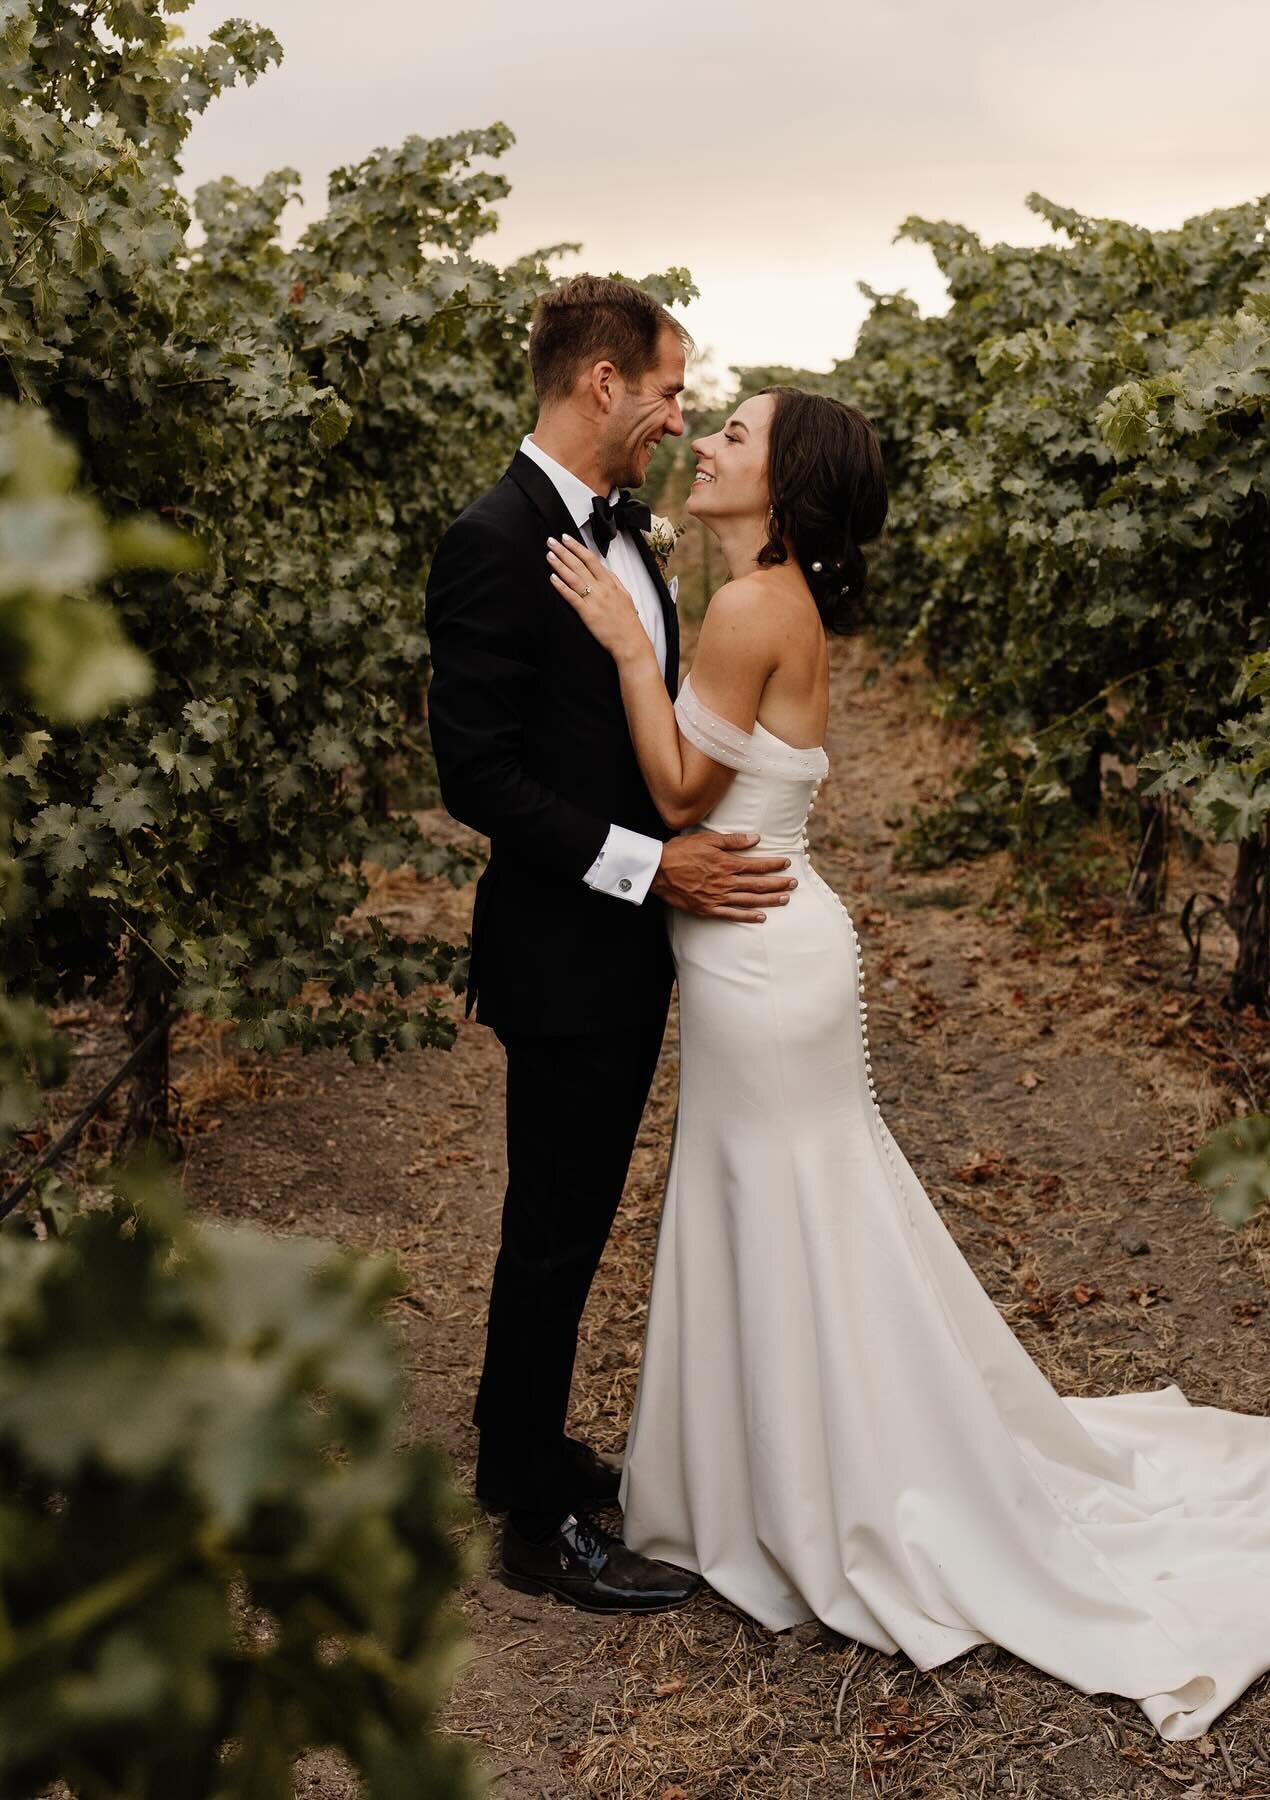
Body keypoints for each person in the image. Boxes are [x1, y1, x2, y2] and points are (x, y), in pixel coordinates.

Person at [544, 382, 1270, 1740]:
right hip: (756, 948)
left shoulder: (746, 607)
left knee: (793, 1210)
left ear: (784, 490)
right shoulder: (762, 599)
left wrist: (620, 644)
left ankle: (808, 1493)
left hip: (763, 959)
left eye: (739, 435)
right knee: (788, 1206)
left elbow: (677, 797)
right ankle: (779, 1480)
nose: (709, 441)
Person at [424, 275, 797, 1613]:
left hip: (631, 944)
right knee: (552, 1229)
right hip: (569, 949)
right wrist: (652, 869)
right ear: (602, 382)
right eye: (669, 389)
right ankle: (535, 1520)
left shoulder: (628, 535)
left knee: (572, 1220)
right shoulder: (492, 536)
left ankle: (527, 1446)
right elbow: (476, 773)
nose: (676, 416)